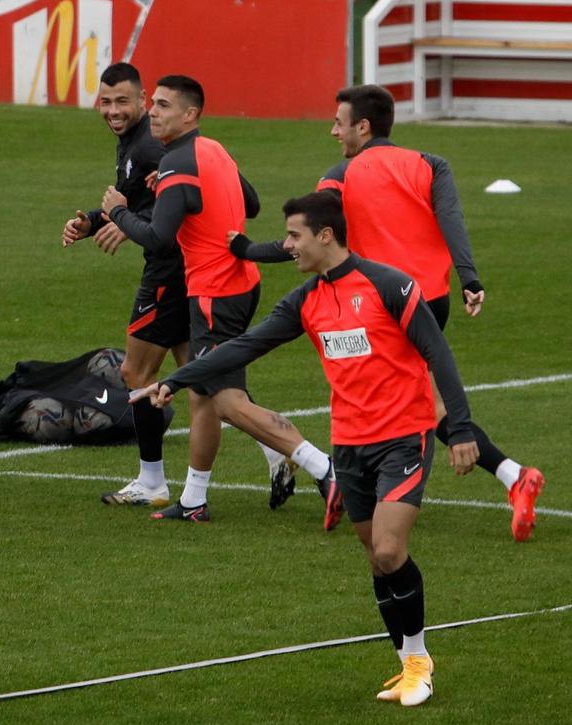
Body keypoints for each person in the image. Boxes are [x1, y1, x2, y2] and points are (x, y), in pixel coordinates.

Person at [137, 192, 475, 707]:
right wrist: (178, 380)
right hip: (350, 444)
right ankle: (407, 661)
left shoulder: (390, 285)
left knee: (388, 549)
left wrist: (464, 429)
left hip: (404, 436)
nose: (286, 246)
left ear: (325, 235)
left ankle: (418, 660)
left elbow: (438, 354)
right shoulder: (304, 301)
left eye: (293, 236)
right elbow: (247, 345)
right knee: (375, 558)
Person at [230, 84, 545, 540]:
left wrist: (246, 249)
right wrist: (469, 278)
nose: (333, 131)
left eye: (339, 123)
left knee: (397, 402)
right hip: (429, 300)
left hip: (378, 304)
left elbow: (305, 236)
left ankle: (506, 476)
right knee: (417, 400)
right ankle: (506, 476)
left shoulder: (342, 174)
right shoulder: (430, 164)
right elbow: (451, 218)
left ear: (363, 126)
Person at [101, 74, 335, 525]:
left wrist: (116, 211)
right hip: (239, 282)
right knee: (203, 395)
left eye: (164, 106)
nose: (155, 112)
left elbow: (156, 235)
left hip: (214, 292)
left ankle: (323, 468)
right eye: (156, 105)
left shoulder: (176, 164)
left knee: (225, 400)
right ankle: (194, 500)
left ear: (190, 115)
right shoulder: (213, 150)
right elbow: (250, 202)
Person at [61, 62, 192, 507]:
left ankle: (152, 482)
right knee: (208, 376)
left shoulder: (152, 148)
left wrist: (123, 220)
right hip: (187, 271)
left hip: (169, 273)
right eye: (106, 101)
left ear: (143, 101)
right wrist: (94, 221)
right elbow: (138, 198)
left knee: (136, 372)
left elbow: (168, 213)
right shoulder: (135, 145)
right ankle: (288, 454)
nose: (113, 110)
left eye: (123, 102)